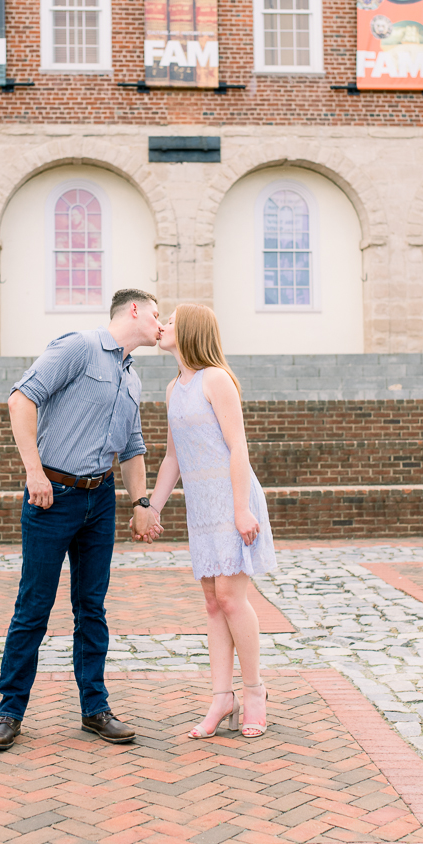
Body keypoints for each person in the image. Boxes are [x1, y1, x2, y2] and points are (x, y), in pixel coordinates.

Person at [0, 289, 164, 751]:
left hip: (99, 499)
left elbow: (134, 447)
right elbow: (21, 399)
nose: (162, 324)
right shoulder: (78, 347)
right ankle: (10, 712)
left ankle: (95, 710)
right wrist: (33, 472)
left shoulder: (133, 378)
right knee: (34, 608)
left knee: (92, 608)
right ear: (135, 310)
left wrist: (141, 505)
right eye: (157, 314)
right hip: (52, 498)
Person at [141, 304, 277, 740]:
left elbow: (239, 447)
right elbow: (172, 457)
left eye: (171, 323)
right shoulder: (172, 390)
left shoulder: (216, 380)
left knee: (232, 598)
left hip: (232, 497)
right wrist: (153, 507)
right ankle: (222, 697)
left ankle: (254, 692)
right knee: (212, 603)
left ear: (191, 331)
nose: (161, 327)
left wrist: (241, 509)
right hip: (201, 505)